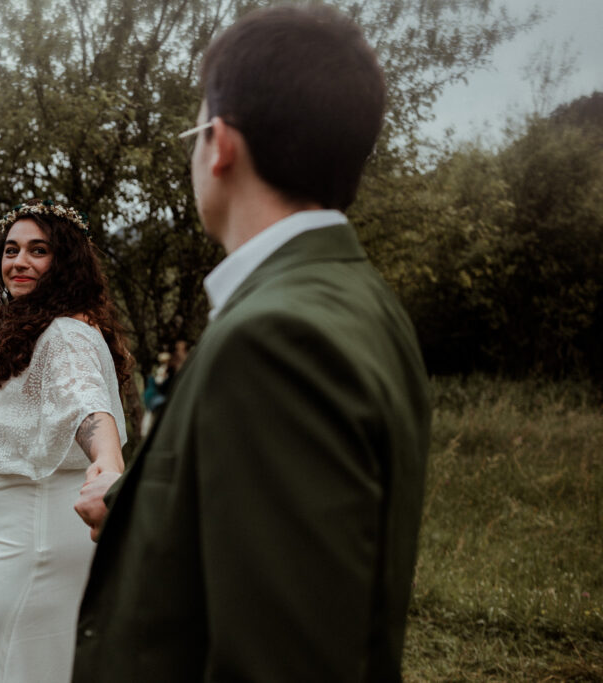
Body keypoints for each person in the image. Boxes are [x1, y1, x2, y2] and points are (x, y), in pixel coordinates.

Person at [73, 5, 430, 681]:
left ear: (222, 142)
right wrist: (131, 498)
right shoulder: (362, 299)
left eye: (193, 130)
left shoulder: (275, 339)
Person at [0, 198, 130, 682]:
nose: (19, 262)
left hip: (37, 554)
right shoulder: (46, 329)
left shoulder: (65, 335)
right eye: (11, 249)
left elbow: (86, 404)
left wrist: (107, 463)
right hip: (28, 548)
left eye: (38, 251)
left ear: (65, 262)